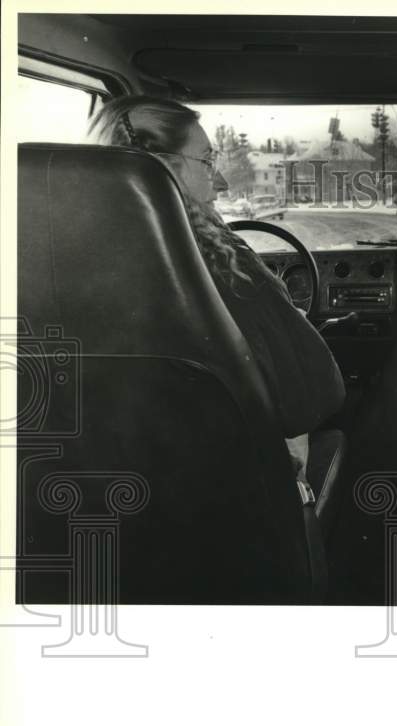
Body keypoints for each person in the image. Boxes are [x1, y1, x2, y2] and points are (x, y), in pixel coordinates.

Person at [88, 96, 344, 490]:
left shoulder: (53, 260)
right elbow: (310, 398)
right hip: (223, 493)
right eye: (207, 162)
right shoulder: (226, 266)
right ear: (160, 168)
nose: (221, 182)